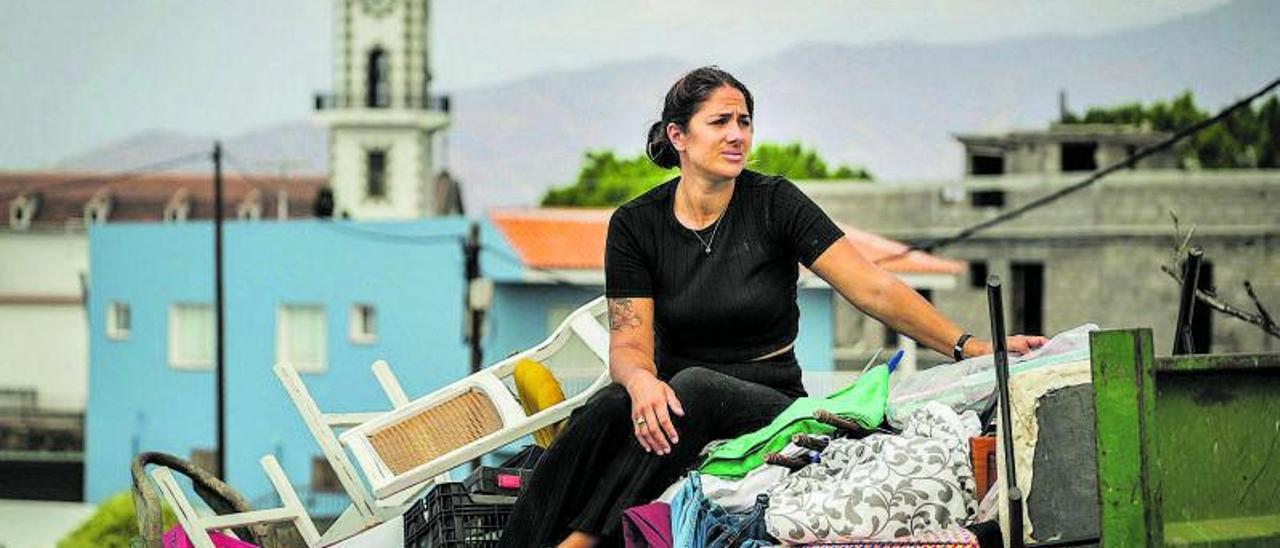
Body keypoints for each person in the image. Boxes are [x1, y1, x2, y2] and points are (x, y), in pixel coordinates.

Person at [500, 66, 1046, 547]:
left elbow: (872, 287)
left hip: (771, 404)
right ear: (678, 136)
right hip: (673, 399)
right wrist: (641, 384)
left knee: (692, 387)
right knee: (607, 407)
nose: (738, 135)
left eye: (745, 122)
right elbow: (629, 343)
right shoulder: (635, 224)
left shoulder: (775, 202)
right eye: (721, 122)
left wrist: (971, 346)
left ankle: (583, 541)